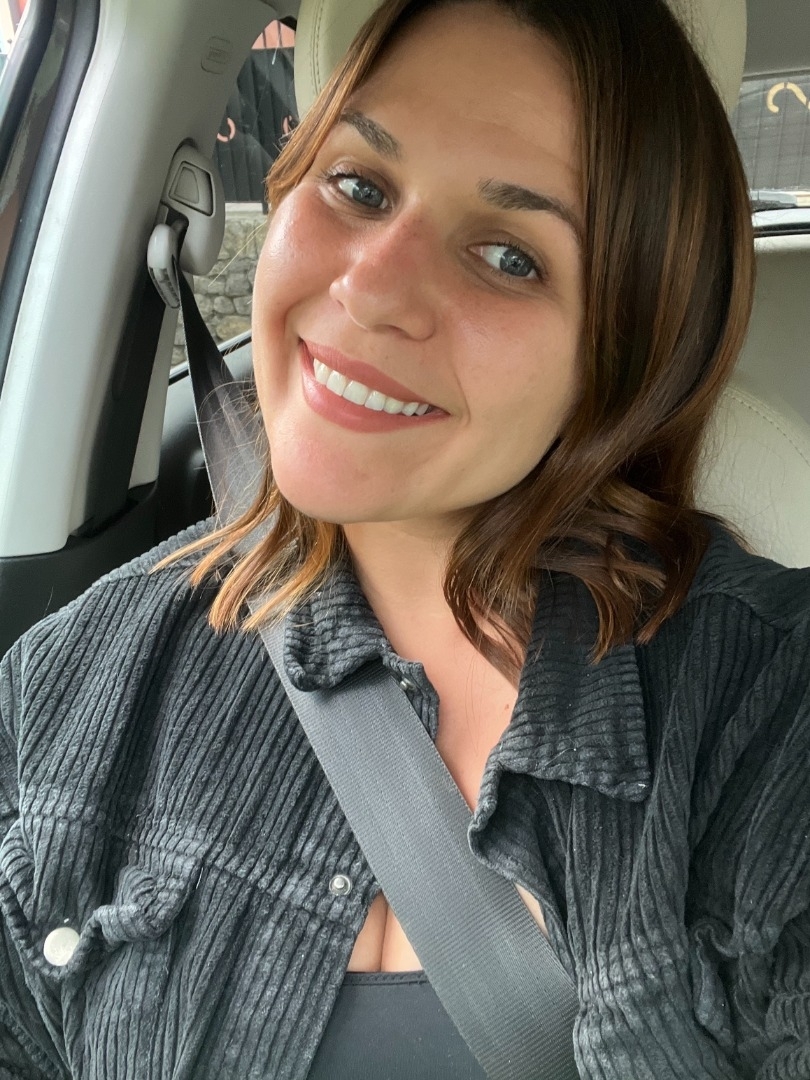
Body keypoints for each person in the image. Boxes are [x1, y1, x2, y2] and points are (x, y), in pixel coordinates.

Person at [0, 0, 808, 1077]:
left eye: (509, 256)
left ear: (624, 353)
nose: (370, 288)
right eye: (360, 186)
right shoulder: (69, 685)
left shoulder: (764, 712)